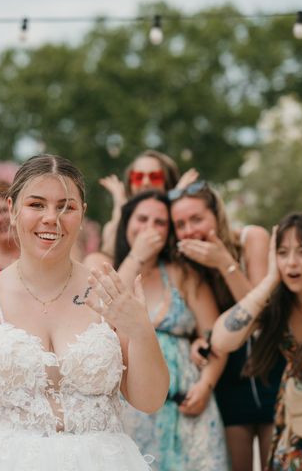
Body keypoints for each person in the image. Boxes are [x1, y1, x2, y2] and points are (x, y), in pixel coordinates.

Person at [0, 154, 169, 470]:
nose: (51, 218)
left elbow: (149, 400)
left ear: (81, 215)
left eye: (66, 207)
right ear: (13, 210)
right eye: (37, 205)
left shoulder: (108, 292)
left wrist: (140, 329)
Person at [211, 213, 302, 469]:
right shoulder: (278, 305)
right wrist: (269, 280)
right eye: (282, 252)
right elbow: (221, 340)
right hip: (298, 419)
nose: (292, 263)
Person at [169, 181, 283, 471]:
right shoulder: (190, 266)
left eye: (197, 219)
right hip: (230, 381)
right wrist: (199, 340)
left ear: (216, 215)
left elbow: (259, 314)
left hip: (273, 370)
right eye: (181, 224)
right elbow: (202, 325)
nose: (190, 230)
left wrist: (224, 263)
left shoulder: (251, 239)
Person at [114, 190, 229, 470]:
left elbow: (215, 335)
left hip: (188, 409)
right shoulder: (108, 268)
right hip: (130, 412)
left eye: (160, 222)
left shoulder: (183, 273)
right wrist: (136, 257)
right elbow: (103, 315)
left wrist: (206, 384)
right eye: (142, 218)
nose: (150, 228)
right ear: (126, 222)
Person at [96, 150, 198, 259]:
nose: (145, 182)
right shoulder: (113, 225)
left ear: (167, 182)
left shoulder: (180, 220)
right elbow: (107, 256)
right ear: (130, 184)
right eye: (138, 177)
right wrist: (120, 206)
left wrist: (176, 198)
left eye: (154, 177)